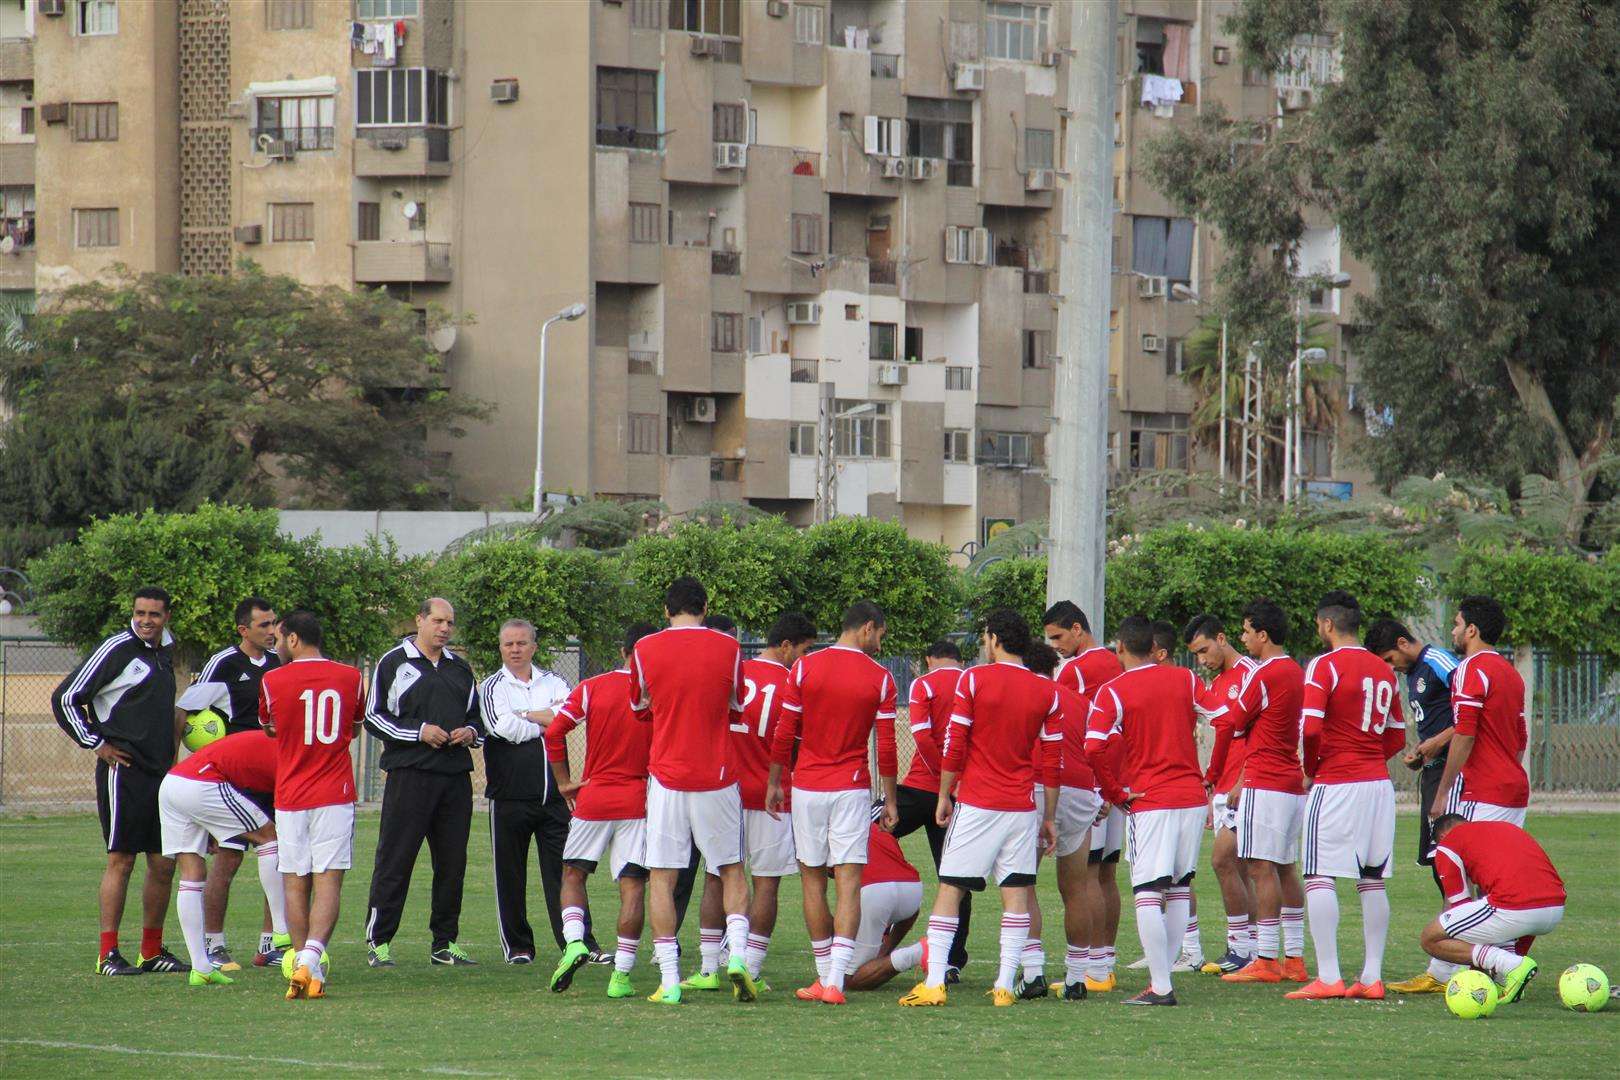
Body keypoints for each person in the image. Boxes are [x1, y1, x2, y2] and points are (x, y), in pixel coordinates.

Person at [899, 608, 1061, 1008]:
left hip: (978, 803)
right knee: (1016, 892)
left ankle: (935, 981)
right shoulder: (1046, 690)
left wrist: (942, 794)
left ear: (994, 639)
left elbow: (955, 742)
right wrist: (1050, 817)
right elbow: (1052, 759)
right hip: (1022, 807)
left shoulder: (974, 679)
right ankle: (1005, 984)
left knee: (950, 887)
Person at [628, 576, 757, 1005]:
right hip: (718, 776)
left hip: (666, 777)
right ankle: (736, 955)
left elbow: (638, 705)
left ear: (666, 611)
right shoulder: (730, 648)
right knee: (731, 869)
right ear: (705, 607)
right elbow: (738, 704)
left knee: (662, 878)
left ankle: (669, 980)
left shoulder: (645, 649)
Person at [1084, 615, 1222, 1007]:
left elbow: (1092, 747)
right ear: (1154, 647)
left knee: (1147, 890)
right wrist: (1211, 774)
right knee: (1178, 887)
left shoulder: (1113, 690)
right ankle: (1163, 980)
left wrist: (1115, 792)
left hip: (1149, 800)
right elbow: (1226, 720)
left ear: (1121, 649)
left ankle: (1161, 986)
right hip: (1191, 798)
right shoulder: (1185, 679)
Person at [767, 600, 899, 1005]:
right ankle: (836, 983)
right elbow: (888, 748)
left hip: (806, 786)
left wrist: (776, 782)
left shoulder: (805, 668)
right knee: (848, 883)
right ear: (867, 628)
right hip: (852, 788)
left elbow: (785, 730)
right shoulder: (881, 678)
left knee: (811, 881)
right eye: (880, 634)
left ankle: (824, 975)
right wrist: (890, 798)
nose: (879, 642)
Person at [52, 586, 188, 976]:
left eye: (154, 615)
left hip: (161, 776)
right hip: (123, 771)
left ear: (167, 618)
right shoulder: (117, 648)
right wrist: (96, 742)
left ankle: (152, 950)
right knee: (122, 860)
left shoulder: (165, 653)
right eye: (140, 613)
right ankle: (108, 953)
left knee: (163, 863)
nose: (146, 621)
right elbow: (66, 698)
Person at [683, 612, 817, 992]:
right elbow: (796, 742)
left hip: (725, 789)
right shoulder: (793, 683)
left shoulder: (735, 673)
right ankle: (752, 967)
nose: (804, 658)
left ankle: (709, 969)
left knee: (716, 875)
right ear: (786, 645)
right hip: (772, 796)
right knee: (767, 883)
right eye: (804, 650)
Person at [1289, 591, 1406, 1001]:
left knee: (1319, 875)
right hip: (1377, 785)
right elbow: (1396, 735)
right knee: (1371, 880)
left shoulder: (1323, 665)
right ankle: (1372, 977)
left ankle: (1329, 976)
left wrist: (1311, 770)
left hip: (1337, 782)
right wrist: (1370, 757)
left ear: (1326, 625)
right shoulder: (1384, 669)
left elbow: (1312, 729)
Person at [363, 598, 485, 968]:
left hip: (454, 781)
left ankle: (444, 943)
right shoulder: (393, 662)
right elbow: (373, 717)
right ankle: (379, 941)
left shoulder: (461, 669)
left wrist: (470, 733)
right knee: (395, 860)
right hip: (409, 777)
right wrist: (419, 732)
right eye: (437, 620)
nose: (444, 628)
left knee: (452, 864)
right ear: (419, 619)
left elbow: (478, 722)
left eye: (450, 622)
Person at [545, 622, 658, 999]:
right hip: (638, 801)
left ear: (624, 651)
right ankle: (621, 976)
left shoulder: (593, 687)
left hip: (593, 797)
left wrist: (563, 782)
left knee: (573, 874)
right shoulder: (659, 693)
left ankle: (575, 942)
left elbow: (554, 731)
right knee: (632, 886)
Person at [258, 610, 365, 1001]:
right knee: (328, 881)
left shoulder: (271, 680)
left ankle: (304, 965)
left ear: (293, 640)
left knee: (294, 881)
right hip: (334, 794)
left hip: (290, 795)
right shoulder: (351, 677)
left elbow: (269, 727)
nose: (275, 642)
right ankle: (310, 961)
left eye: (279, 636)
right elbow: (353, 728)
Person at [480, 618, 598, 966]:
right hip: (509, 797)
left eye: (521, 643)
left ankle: (578, 943)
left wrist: (529, 715)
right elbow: (504, 728)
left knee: (566, 873)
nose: (515, 650)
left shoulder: (556, 681)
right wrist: (546, 721)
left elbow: (570, 717)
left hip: (556, 797)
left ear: (534, 646)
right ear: (500, 648)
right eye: (508, 644)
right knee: (510, 875)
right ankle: (518, 947)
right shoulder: (490, 687)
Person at [175, 597, 284, 971]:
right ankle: (214, 943)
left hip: (272, 774)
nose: (272, 631)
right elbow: (187, 711)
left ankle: (272, 942)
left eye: (274, 624)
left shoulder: (277, 663)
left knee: (280, 857)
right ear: (243, 630)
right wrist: (180, 760)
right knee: (229, 857)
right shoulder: (225, 663)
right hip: (234, 778)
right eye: (264, 625)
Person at [1365, 618, 1461, 995]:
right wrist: (1424, 752)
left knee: (1453, 867)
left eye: (1390, 658)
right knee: (1441, 869)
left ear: (1403, 643)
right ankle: (1448, 964)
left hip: (1455, 775)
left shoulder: (1439, 661)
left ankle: (1457, 963)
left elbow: (1474, 711)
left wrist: (1438, 742)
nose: (1391, 666)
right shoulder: (1414, 673)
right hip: (1434, 771)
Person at [1217, 600, 1309, 986]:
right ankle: (1295, 958)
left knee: (1259, 867)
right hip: (1290, 780)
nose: (1243, 638)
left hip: (1265, 779)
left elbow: (1235, 719)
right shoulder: (1297, 672)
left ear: (1263, 635)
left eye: (1246, 631)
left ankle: (1267, 958)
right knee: (1285, 866)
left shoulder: (1263, 673)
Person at [1042, 600, 1125, 992]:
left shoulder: (1075, 670)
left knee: (1087, 876)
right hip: (1118, 781)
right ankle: (1104, 963)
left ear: (1078, 629)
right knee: (1107, 874)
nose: (1055, 645)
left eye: (1058, 636)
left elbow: (1065, 728)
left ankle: (1090, 967)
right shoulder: (1116, 662)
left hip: (1091, 783)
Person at [158, 729, 282, 986]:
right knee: (269, 836)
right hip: (202, 783)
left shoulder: (269, 740)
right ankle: (283, 935)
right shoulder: (290, 751)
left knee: (192, 872)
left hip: (172, 784)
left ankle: (201, 967)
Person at [1025, 642, 1102, 1001]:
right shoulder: (1080, 702)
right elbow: (1105, 744)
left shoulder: (1024, 694)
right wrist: (1104, 791)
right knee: (1076, 887)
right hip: (1082, 790)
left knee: (1023, 883)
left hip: (1038, 787)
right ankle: (1076, 977)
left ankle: (1032, 972)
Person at [1183, 614, 1259, 974]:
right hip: (1224, 787)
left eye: (1204, 650)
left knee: (1222, 861)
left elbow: (1262, 735)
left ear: (1222, 638)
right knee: (1241, 867)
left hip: (1244, 785)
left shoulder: (1249, 675)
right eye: (1196, 655)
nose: (1202, 659)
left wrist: (1244, 778)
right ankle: (1255, 947)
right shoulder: (1216, 684)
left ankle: (1241, 946)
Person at [891, 638, 970, 981]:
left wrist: (941, 780)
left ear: (928, 659)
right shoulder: (972, 681)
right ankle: (952, 959)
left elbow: (923, 739)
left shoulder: (924, 683)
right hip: (957, 795)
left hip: (921, 789)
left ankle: (859, 937)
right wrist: (953, 784)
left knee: (861, 837)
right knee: (954, 877)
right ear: (959, 658)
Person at [1420, 815, 1563, 1004]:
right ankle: (1504, 980)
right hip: (1555, 907)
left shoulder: (1448, 842)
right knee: (1494, 919)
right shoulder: (1505, 828)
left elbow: (1460, 908)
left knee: (1430, 937)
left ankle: (1511, 965)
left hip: (1516, 907)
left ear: (1443, 836)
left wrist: (1476, 968)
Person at [1432, 596, 1530, 827]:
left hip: (1484, 792)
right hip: (1514, 792)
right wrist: (1507, 772)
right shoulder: (1511, 673)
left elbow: (1465, 733)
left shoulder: (1470, 668)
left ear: (1471, 630)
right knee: (1501, 863)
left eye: (1457, 624)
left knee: (1469, 861)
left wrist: (1443, 792)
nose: (1454, 632)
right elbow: (1521, 738)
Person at [844, 820, 927, 992]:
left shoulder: (830, 826)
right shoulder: (873, 825)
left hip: (875, 892)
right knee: (874, 959)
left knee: (850, 980)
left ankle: (919, 952)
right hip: (913, 889)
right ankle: (886, 954)